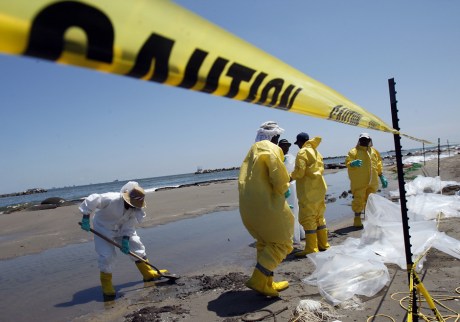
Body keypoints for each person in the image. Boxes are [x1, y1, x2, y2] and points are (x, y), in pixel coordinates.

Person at [79, 181, 168, 300]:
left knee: (136, 246)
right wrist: (86, 217)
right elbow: (93, 199)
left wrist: (125, 240)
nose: (133, 207)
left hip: (122, 229)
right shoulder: (111, 199)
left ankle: (148, 273)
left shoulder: (135, 209)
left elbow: (129, 226)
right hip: (103, 228)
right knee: (106, 255)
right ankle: (107, 285)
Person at [239, 121, 293, 297]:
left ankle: (268, 283)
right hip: (266, 205)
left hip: (248, 207)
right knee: (281, 243)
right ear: (274, 136)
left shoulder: (252, 151)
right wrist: (284, 190)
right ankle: (258, 279)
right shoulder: (270, 149)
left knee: (265, 243)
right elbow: (278, 176)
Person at [290, 132, 330, 257]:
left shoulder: (302, 152)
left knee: (308, 218)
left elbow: (300, 172)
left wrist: (289, 177)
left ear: (301, 142)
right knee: (319, 216)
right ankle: (323, 244)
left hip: (308, 190)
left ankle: (312, 248)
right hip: (320, 187)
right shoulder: (317, 152)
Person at [346, 133, 388, 228]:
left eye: (366, 139)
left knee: (371, 201)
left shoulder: (374, 152)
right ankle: (357, 220)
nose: (364, 141)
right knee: (358, 201)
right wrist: (352, 163)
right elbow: (348, 162)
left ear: (369, 140)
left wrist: (381, 175)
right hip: (359, 182)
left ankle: (370, 220)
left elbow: (378, 164)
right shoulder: (353, 152)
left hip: (372, 182)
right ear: (359, 140)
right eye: (362, 139)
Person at [278, 139, 305, 247]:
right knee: (292, 211)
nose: (285, 148)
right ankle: (299, 234)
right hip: (287, 186)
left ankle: (294, 237)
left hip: (291, 186)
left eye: (286, 146)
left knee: (292, 211)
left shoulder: (289, 158)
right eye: (283, 146)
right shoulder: (282, 157)